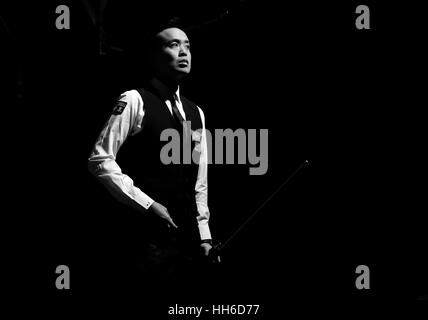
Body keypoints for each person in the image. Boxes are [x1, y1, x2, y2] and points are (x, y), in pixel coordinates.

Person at [88, 18, 219, 294]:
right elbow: (99, 160)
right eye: (173, 45)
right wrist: (148, 205)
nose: (184, 52)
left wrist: (204, 236)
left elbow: (199, 182)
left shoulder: (197, 113)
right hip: (144, 244)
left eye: (187, 46)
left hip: (185, 244)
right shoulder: (135, 99)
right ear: (155, 56)